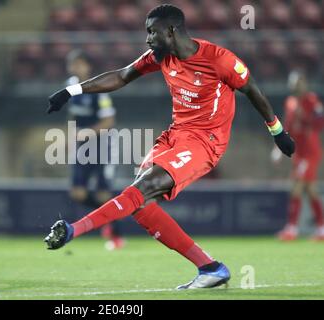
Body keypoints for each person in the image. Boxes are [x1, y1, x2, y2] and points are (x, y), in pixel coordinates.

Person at [44, 4, 295, 289]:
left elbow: (252, 90)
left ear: (172, 31)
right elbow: (123, 75)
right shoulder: (160, 57)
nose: (148, 39)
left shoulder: (219, 59)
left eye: (152, 32)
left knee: (138, 192)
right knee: (140, 204)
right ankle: (210, 268)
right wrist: (71, 90)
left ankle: (75, 229)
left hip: (205, 142)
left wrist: (277, 131)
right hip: (175, 136)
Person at [64, 49, 125, 250]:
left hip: (103, 145)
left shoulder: (99, 88)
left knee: (102, 194)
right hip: (83, 147)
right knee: (78, 193)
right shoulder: (70, 87)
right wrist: (71, 137)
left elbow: (109, 120)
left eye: (79, 64)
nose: (75, 68)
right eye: (73, 64)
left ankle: (115, 234)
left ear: (88, 66)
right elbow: (73, 116)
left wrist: (86, 133)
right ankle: (107, 219)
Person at [273, 70, 324, 241]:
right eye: (295, 82)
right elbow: (286, 126)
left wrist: (307, 120)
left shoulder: (310, 100)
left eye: (300, 82)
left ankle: (292, 229)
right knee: (310, 190)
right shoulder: (291, 102)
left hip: (310, 151)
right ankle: (322, 229)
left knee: (297, 187)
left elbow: (320, 120)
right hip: (299, 152)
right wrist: (278, 148)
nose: (298, 85)